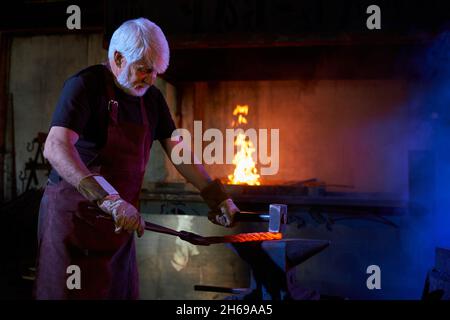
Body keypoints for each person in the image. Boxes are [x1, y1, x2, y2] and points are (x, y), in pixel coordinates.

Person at [34, 17, 239, 299]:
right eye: (144, 70)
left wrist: (216, 196)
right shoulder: (84, 85)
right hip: (74, 224)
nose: (151, 79)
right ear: (118, 57)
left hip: (119, 226)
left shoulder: (152, 98)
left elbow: (178, 151)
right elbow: (56, 147)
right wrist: (110, 199)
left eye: (156, 72)